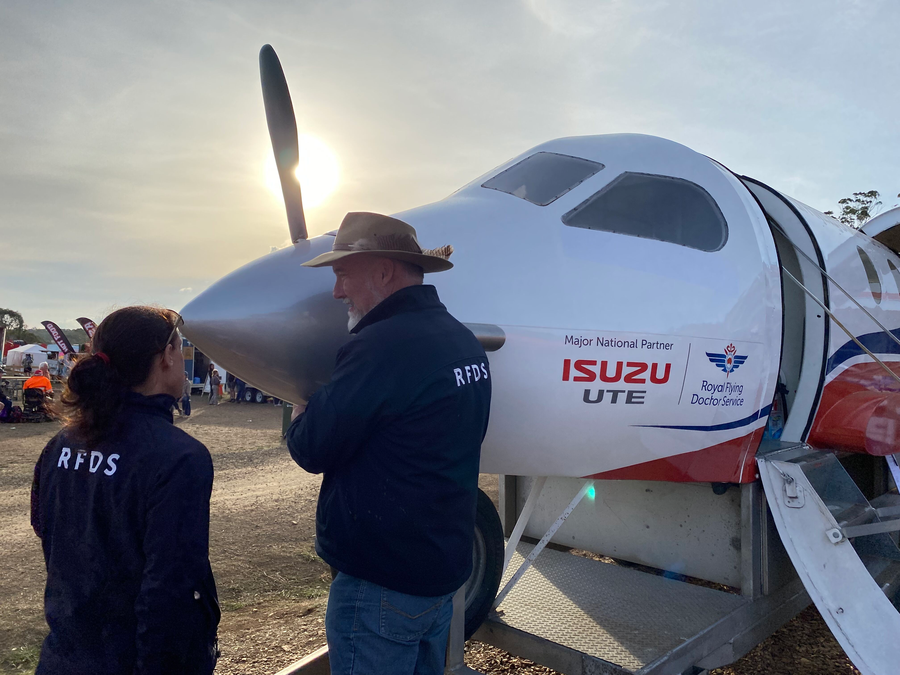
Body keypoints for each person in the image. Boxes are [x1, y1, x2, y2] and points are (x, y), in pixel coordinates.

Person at [286, 212, 492, 675]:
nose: (336, 291)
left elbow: (311, 448)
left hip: (381, 582)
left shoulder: (379, 347)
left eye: (342, 274)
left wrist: (300, 404)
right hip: (439, 573)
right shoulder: (462, 340)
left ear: (382, 272)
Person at [31, 306, 219, 674]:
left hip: (63, 656)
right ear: (166, 357)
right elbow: (169, 589)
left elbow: (48, 533)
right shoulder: (179, 457)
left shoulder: (60, 445)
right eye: (180, 348)